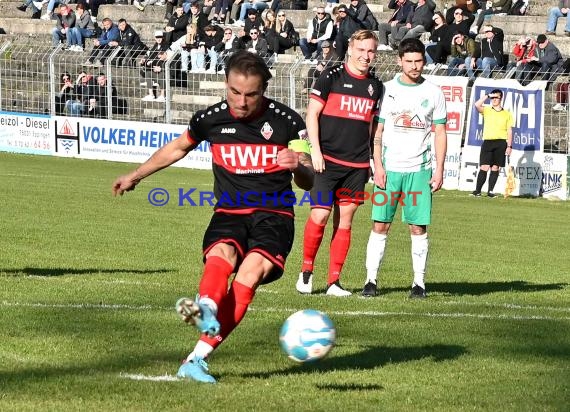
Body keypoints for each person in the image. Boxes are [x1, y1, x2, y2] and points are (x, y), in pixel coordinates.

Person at [112, 51, 314, 384]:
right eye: (235, 92)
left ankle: (196, 359)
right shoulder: (211, 119)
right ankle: (205, 307)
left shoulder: (288, 121)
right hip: (229, 211)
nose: (241, 101)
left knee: (249, 276)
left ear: (263, 89)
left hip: (274, 215)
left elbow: (308, 179)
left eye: (250, 94)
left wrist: (298, 165)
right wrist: (137, 174)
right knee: (220, 256)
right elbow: (177, 147)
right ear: (226, 84)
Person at [296, 30, 383, 297]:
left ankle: (334, 281)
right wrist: (316, 152)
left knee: (344, 222)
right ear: (350, 50)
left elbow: (374, 129)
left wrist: (374, 162)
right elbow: (312, 115)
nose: (365, 56)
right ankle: (306, 273)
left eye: (370, 51)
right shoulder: (331, 77)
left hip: (356, 165)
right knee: (320, 215)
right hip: (327, 161)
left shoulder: (376, 86)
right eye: (361, 50)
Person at [362, 37, 447, 299]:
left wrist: (439, 169)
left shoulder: (434, 92)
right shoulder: (386, 90)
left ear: (424, 61)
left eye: (418, 61)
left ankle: (418, 284)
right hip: (389, 169)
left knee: (418, 228)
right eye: (409, 61)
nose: (414, 66)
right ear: (400, 61)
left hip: (419, 170)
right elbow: (378, 130)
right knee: (380, 225)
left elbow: (440, 131)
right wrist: (377, 164)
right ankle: (370, 280)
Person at [471, 89, 513, 197]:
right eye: (492, 97)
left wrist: (509, 146)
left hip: (501, 142)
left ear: (501, 98)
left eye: (496, 97)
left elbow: (509, 130)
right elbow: (477, 105)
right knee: (484, 166)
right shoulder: (487, 110)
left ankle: (490, 191)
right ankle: (478, 191)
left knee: (495, 167)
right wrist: (487, 95)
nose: (494, 99)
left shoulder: (507, 114)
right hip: (488, 141)